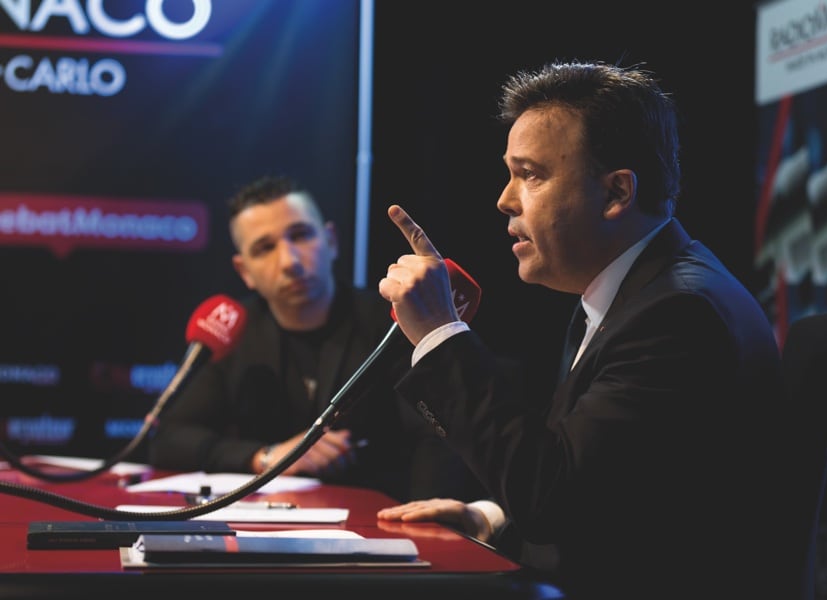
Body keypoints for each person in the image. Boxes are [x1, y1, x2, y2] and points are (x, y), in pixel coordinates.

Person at [375, 61, 791, 598]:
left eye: (530, 174)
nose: (505, 199)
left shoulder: (678, 314)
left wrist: (438, 333)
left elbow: (555, 502)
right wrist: (490, 519)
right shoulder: (633, 293)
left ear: (617, 192)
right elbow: (604, 486)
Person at [148, 174, 483, 504]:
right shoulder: (232, 331)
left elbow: (439, 439)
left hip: (378, 523)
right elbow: (168, 439)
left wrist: (426, 526)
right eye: (265, 248)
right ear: (244, 271)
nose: (290, 261)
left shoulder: (394, 324)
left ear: (331, 241)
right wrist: (266, 457)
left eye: (301, 235)